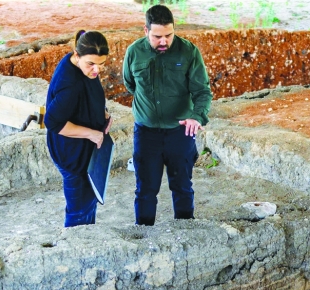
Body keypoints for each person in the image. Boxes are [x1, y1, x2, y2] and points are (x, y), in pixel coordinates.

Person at [123, 4, 212, 226]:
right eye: (157, 36)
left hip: (180, 132)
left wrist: (196, 116)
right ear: (145, 31)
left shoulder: (189, 51)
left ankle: (185, 232)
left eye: (168, 35)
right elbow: (130, 84)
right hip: (146, 133)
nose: (163, 41)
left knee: (182, 186)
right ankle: (143, 235)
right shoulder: (134, 52)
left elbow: (202, 91)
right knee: (145, 189)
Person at [44, 30, 112, 227]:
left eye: (101, 64)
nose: (96, 70)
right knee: (79, 213)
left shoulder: (82, 65)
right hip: (72, 157)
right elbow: (53, 122)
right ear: (76, 54)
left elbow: (88, 97)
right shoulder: (70, 85)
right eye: (91, 64)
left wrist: (103, 113)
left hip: (85, 152)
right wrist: (92, 133)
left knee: (89, 204)